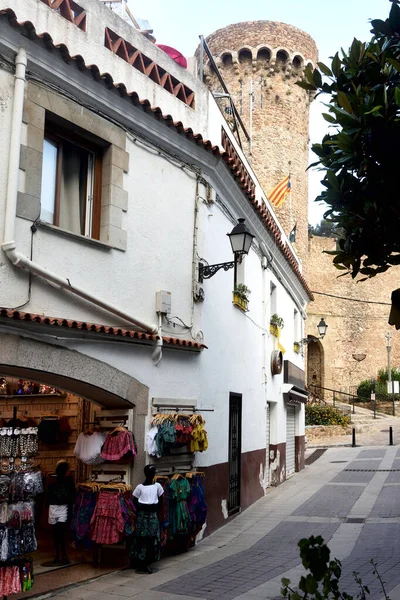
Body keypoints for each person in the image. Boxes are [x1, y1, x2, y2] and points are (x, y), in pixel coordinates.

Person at [130, 464, 163, 573]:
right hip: (146, 515)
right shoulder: (141, 487)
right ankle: (142, 561)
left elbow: (161, 500)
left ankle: (146, 561)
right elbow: (134, 501)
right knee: (144, 538)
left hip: (149, 515)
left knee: (149, 538)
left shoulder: (157, 486)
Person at [46, 460, 76, 565]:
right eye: (67, 470)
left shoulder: (54, 483)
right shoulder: (67, 483)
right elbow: (72, 497)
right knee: (60, 533)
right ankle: (61, 554)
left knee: (58, 533)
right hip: (59, 509)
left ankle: (59, 554)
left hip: (56, 508)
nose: (69, 472)